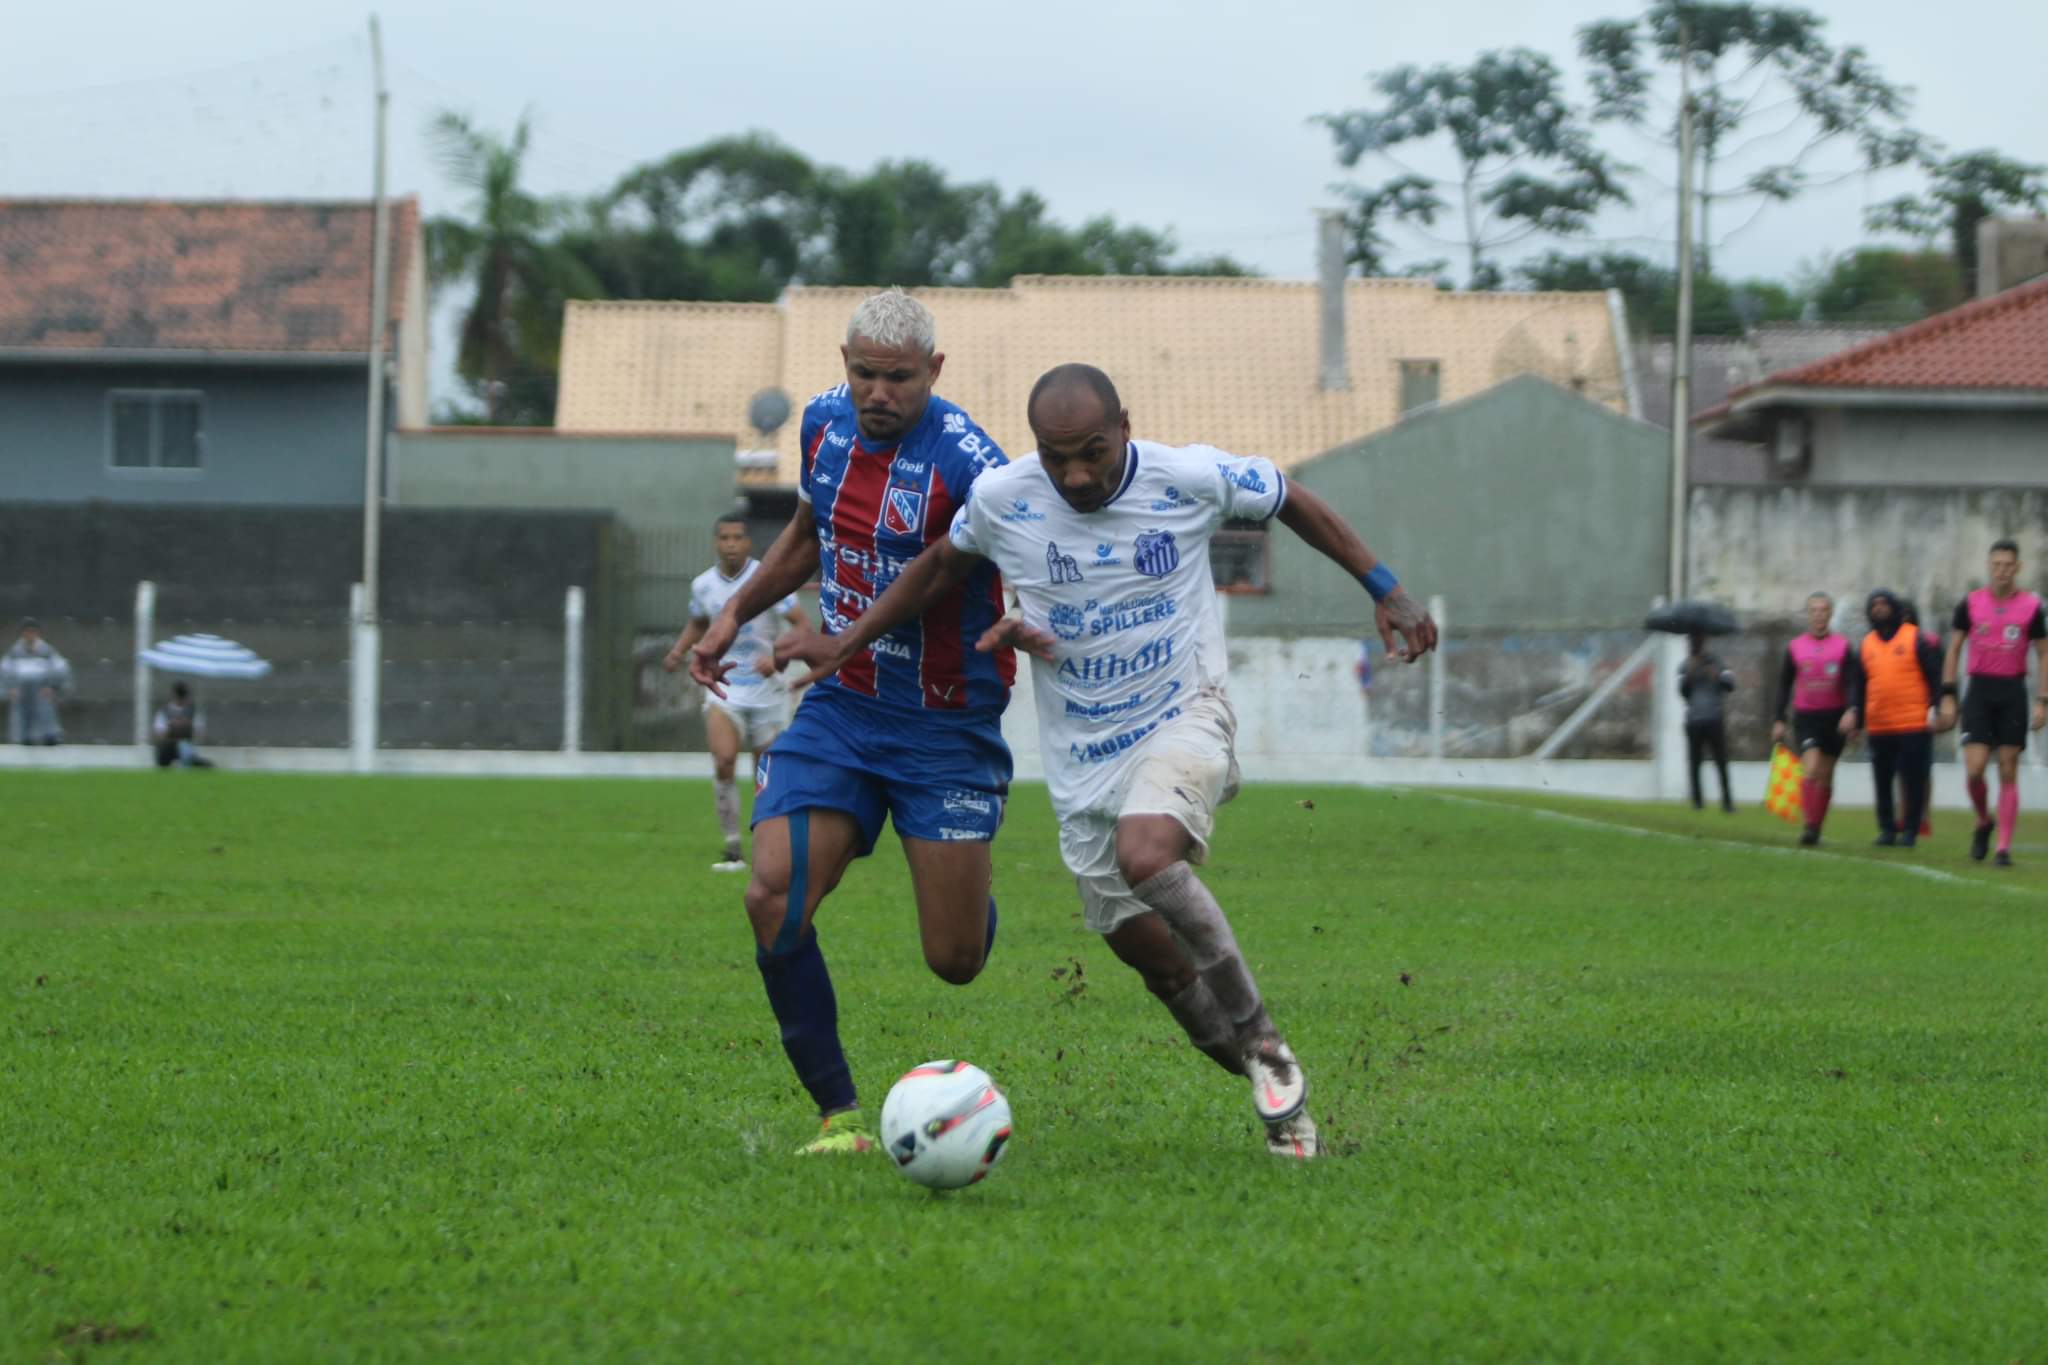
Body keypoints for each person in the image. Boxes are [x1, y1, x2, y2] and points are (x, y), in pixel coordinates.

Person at [792, 363, 1438, 1160]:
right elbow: (936, 567)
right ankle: (1283, 1110)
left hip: (1184, 715)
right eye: (1057, 456)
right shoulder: (1003, 498)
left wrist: (1385, 586)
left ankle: (1267, 1043)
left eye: (1093, 452)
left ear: (1124, 426)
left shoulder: (1189, 478)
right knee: (1161, 968)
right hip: (1082, 765)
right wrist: (848, 637)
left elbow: (1292, 498)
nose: (1076, 475)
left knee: (1146, 854)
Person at [689, 289, 1014, 1155]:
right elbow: (807, 531)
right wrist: (734, 613)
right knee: (771, 893)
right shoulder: (824, 426)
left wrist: (843, 636)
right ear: (844, 363)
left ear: (934, 372)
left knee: (955, 961)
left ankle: (973, 896)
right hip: (843, 705)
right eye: (864, 372)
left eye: (899, 378)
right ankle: (838, 1115)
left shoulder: (974, 466)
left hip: (945, 719)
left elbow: (943, 574)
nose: (879, 392)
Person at [663, 514, 810, 871]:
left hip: (768, 690)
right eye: (724, 538)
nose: (731, 544)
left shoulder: (769, 579)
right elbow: (699, 623)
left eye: (737, 538)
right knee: (724, 761)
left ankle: (766, 846)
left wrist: (777, 657)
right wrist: (680, 651)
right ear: (716, 542)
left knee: (767, 773)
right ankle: (732, 847)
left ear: (748, 543)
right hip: (724, 687)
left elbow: (803, 625)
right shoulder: (703, 586)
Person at [1938, 539, 2048, 866]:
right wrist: (1948, 694)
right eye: (1996, 565)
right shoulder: (1970, 604)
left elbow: (2043, 653)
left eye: (2007, 565)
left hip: (2012, 691)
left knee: (2008, 767)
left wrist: (2043, 700)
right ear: (1989, 567)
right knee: (1974, 770)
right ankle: (1984, 820)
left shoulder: (2031, 607)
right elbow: (1954, 648)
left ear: (2017, 568)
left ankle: (2002, 847)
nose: (2001, 571)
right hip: (1980, 690)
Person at [1844, 589, 1941, 848]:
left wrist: (1935, 706)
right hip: (1879, 724)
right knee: (1882, 778)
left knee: (1913, 778)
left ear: (1894, 608)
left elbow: (1934, 676)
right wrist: (1857, 717)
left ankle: (1910, 829)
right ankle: (1886, 828)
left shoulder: (1914, 638)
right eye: (1873, 605)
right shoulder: (1866, 644)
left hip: (1912, 722)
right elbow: (1860, 686)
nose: (1879, 608)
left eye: (1883, 604)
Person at [1771, 592, 1857, 846]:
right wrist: (1779, 719)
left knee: (1826, 776)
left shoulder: (1843, 646)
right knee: (1811, 770)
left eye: (1823, 610)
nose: (1819, 615)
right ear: (1808, 615)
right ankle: (1809, 825)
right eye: (1814, 610)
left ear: (1830, 614)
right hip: (1806, 717)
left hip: (1834, 717)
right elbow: (1784, 685)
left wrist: (1852, 711)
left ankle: (1816, 826)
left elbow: (1852, 683)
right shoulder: (1795, 647)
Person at [1679, 632, 1736, 813]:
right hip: (1694, 719)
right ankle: (1697, 801)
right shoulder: (1686, 665)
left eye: (1697, 641)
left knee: (1721, 761)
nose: (1694, 645)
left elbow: (1730, 685)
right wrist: (1689, 675)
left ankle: (1727, 801)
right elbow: (1683, 692)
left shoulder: (1716, 662)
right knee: (1695, 761)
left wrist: (1716, 676)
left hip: (1714, 717)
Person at [2, 618, 71, 745]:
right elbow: (6, 669)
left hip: (41, 688)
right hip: (21, 689)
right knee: (21, 715)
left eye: (33, 632)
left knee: (45, 711)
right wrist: (11, 687)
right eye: (27, 632)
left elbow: (59, 667)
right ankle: (24, 737)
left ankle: (50, 736)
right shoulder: (14, 652)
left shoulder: (47, 651)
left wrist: (52, 686)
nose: (30, 635)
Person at [152, 682, 214, 769]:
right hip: (168, 747)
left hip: (186, 744)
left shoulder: (192, 712)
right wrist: (173, 727)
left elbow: (199, 732)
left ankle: (190, 764)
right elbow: (159, 733)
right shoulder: (164, 711)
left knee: (183, 746)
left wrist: (186, 726)